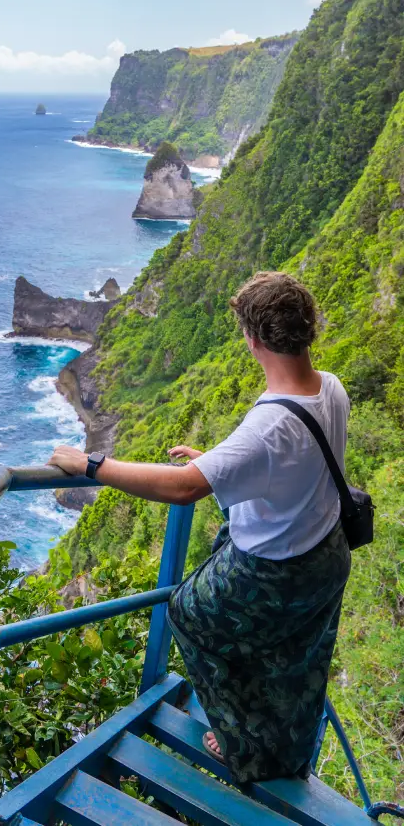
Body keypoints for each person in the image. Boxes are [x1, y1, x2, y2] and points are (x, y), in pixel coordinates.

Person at [48, 271, 351, 783]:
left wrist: (90, 466)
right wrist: (221, 462)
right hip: (326, 551)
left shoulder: (269, 425)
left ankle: (243, 744)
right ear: (308, 327)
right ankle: (290, 748)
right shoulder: (332, 388)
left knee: (188, 614)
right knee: (301, 654)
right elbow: (292, 462)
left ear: (252, 339)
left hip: (277, 568)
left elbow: (185, 487)